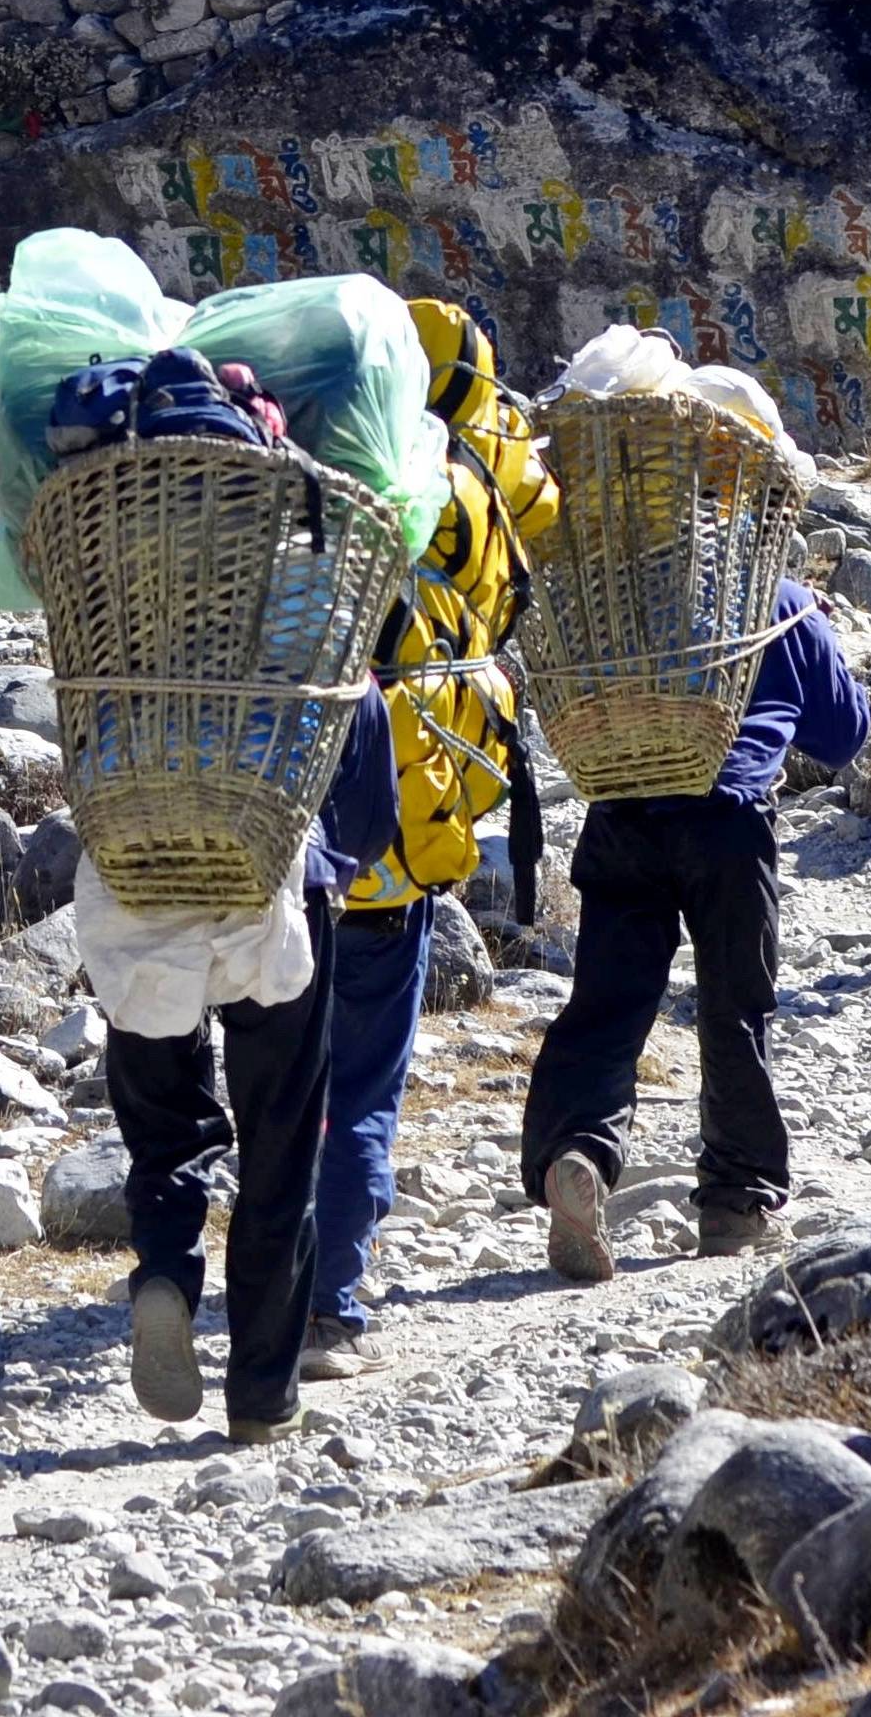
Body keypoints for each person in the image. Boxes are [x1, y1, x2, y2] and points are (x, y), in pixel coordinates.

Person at [300, 300, 549, 1381]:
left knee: (277, 1083)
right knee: (362, 1084)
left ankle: (255, 1281)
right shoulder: (459, 483)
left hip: (276, 845)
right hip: (395, 847)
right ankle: (329, 1307)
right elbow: (507, 599)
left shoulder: (286, 472)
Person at [518, 573, 869, 1281]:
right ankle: (734, 1207)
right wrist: (816, 640)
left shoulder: (612, 593)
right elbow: (843, 737)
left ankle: (576, 1154)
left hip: (621, 815)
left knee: (607, 1006)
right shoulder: (779, 600)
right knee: (732, 1006)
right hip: (729, 821)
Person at [105, 646, 398, 1445]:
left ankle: (166, 1269)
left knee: (165, 1125)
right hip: (280, 911)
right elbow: (373, 823)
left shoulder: (117, 659)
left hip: (138, 904)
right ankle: (263, 1396)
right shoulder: (332, 665)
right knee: (281, 1146)